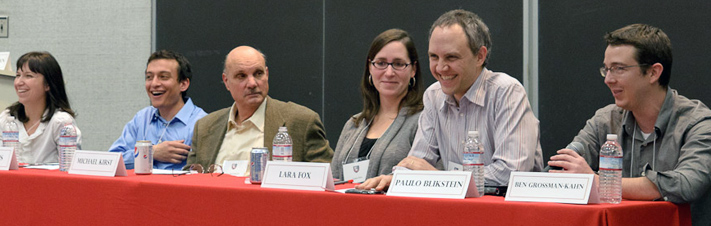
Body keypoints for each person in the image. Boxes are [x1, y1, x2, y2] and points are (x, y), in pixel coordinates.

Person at [357, 9, 543, 191]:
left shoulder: (506, 92)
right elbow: (417, 161)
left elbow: (510, 172)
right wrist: (395, 178)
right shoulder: (433, 95)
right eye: (433, 57)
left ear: (480, 56)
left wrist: (440, 177)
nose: (440, 67)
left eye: (451, 57)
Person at [548, 24, 711, 226]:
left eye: (619, 69)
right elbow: (560, 173)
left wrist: (600, 182)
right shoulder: (605, 120)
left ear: (653, 73)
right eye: (606, 69)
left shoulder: (698, 123)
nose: (608, 79)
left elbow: (687, 184)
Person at [186, 46, 333, 172]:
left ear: (267, 74)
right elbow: (189, 181)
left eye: (258, 74)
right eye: (241, 76)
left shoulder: (301, 122)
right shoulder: (205, 127)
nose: (252, 83)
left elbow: (328, 178)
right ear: (226, 81)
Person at [331, 29, 424, 181]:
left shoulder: (423, 122)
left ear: (413, 69)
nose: (389, 72)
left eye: (398, 64)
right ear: (370, 67)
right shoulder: (354, 124)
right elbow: (333, 179)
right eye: (381, 63)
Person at [109, 50, 207, 170]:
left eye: (163, 77)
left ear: (183, 84)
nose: (154, 83)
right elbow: (112, 161)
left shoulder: (202, 123)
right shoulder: (142, 118)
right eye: (149, 77)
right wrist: (150, 152)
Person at [0, 51, 82, 163]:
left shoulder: (60, 122)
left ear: (47, 84)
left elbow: (70, 168)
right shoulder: (7, 117)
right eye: (18, 75)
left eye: (28, 76)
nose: (19, 82)